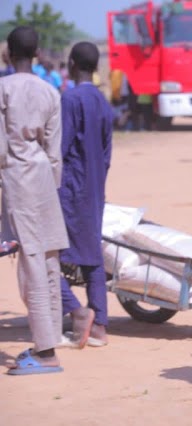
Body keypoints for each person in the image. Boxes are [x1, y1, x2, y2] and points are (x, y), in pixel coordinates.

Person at [0, 26, 69, 375]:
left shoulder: (3, 89)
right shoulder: (50, 90)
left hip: (17, 175)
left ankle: (45, 353)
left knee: (30, 262)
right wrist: (49, 184)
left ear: (7, 54)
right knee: (49, 258)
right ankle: (51, 337)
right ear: (38, 54)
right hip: (44, 175)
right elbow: (55, 151)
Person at [57, 41, 113, 349]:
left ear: (72, 64)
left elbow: (60, 149)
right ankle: (100, 326)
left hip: (71, 188)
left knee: (47, 257)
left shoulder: (70, 99)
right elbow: (106, 154)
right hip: (94, 188)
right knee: (91, 257)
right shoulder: (102, 101)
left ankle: (77, 310)